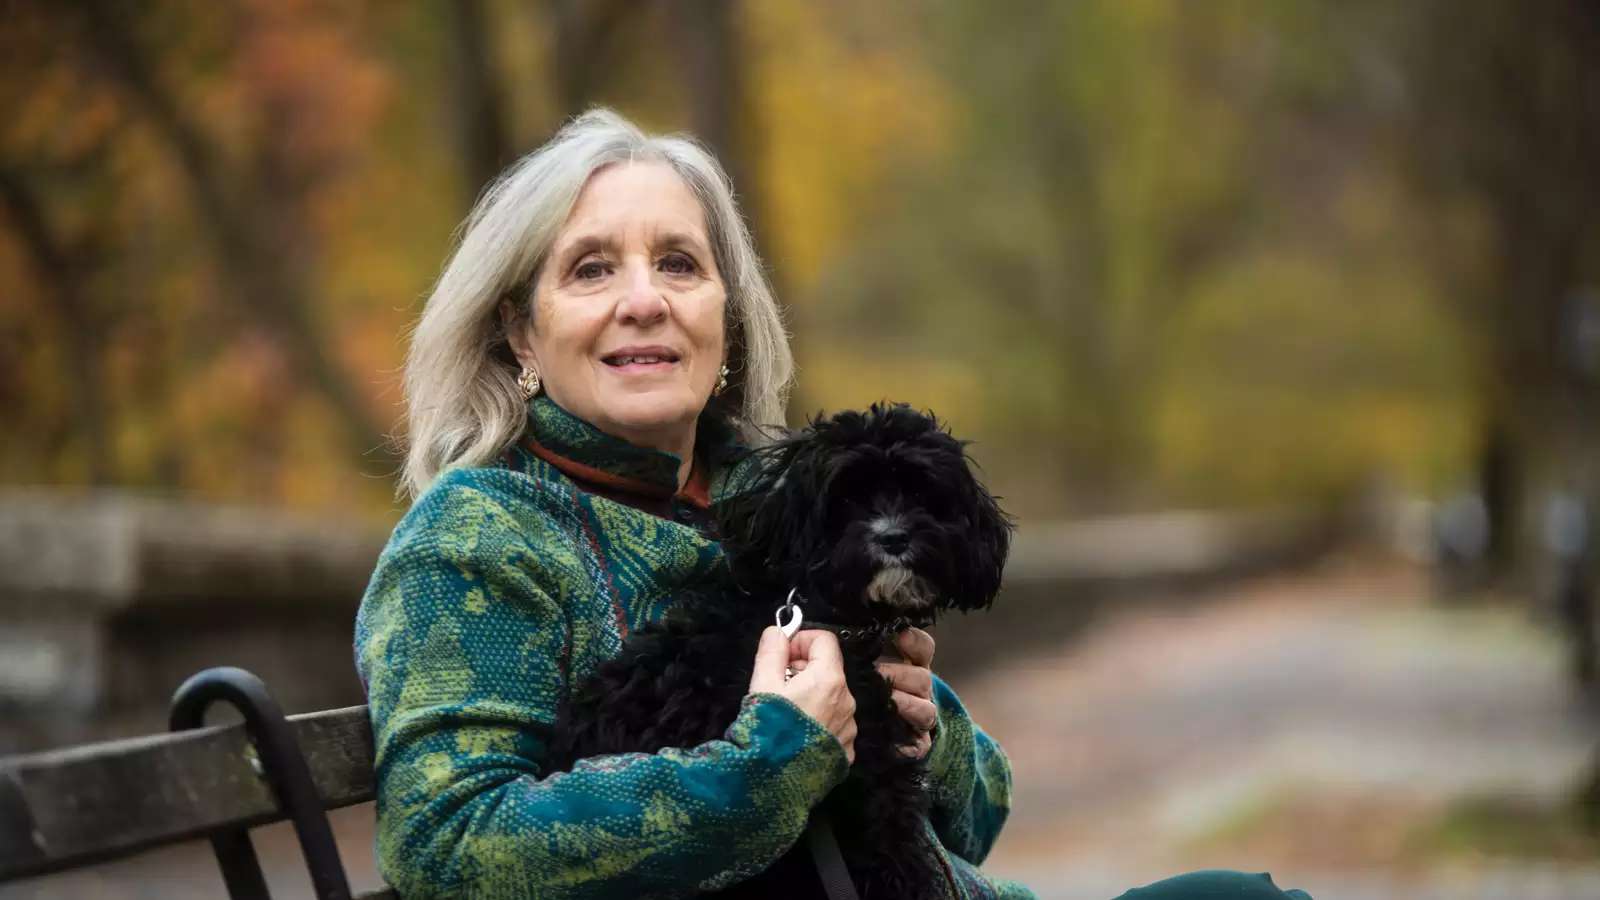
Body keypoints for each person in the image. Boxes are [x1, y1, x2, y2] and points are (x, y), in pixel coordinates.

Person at [354, 108, 1311, 900]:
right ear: (519, 332)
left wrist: (926, 728)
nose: (644, 300)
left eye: (679, 264)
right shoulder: (480, 536)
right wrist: (769, 764)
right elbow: (448, 846)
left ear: (726, 321)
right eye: (591, 268)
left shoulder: (787, 504)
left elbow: (978, 821)